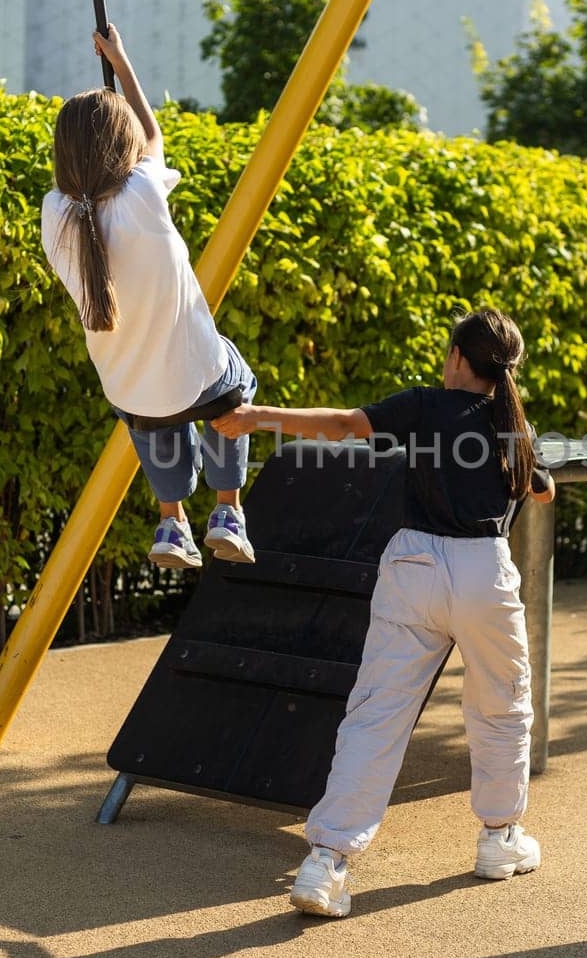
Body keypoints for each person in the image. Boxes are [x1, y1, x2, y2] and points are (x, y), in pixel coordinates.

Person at [213, 308, 556, 919]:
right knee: (502, 704)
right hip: (485, 575)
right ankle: (500, 839)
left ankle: (327, 862)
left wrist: (254, 419)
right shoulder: (513, 426)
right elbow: (540, 488)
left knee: (377, 713)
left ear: (456, 358)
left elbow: (345, 424)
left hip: (413, 570)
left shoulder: (425, 406)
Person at [42, 24, 256, 569]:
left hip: (129, 390)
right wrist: (121, 61)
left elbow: (135, 148)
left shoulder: (55, 214)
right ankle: (227, 510)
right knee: (235, 389)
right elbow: (154, 136)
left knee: (152, 415)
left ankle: (171, 522)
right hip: (198, 376)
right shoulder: (140, 194)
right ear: (123, 146)